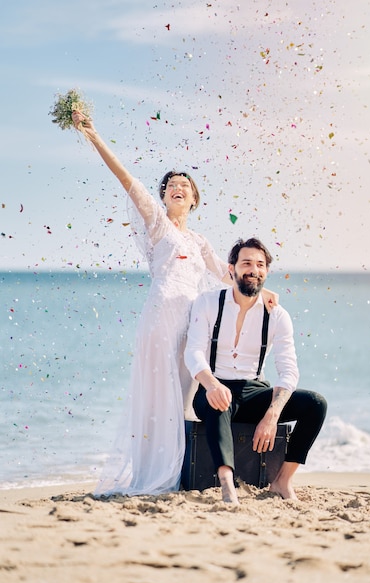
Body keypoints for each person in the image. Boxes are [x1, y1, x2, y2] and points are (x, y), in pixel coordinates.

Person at [70, 112, 277, 496]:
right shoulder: (158, 224)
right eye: (171, 185)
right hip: (161, 316)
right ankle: (154, 473)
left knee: (183, 398)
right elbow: (128, 181)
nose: (177, 187)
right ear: (164, 196)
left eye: (185, 185)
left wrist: (262, 292)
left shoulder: (199, 241)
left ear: (195, 199)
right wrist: (93, 135)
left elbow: (227, 274)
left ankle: (182, 471)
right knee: (156, 396)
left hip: (192, 322)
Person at [184, 237, 327, 504]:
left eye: (260, 264)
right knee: (219, 403)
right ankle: (227, 484)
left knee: (315, 404)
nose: (254, 269)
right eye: (246, 263)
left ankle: (282, 481)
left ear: (266, 272)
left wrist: (272, 414)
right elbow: (192, 353)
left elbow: (288, 371)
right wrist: (211, 384)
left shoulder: (277, 315)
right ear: (231, 269)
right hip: (213, 386)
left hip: (254, 390)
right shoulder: (208, 303)